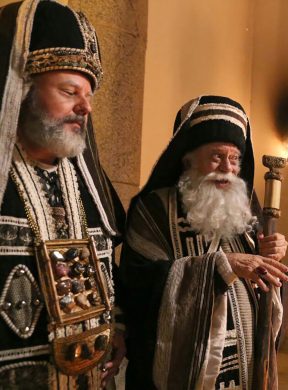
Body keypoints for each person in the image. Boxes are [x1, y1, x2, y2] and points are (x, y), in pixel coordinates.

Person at [119, 95, 288, 389]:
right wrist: (220, 267)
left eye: (235, 158)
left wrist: (272, 253)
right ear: (187, 159)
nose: (227, 167)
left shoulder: (245, 206)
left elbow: (266, 279)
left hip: (246, 369)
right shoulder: (155, 210)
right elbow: (139, 286)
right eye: (216, 156)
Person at [0, 1, 127, 388]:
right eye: (69, 90)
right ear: (22, 90)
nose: (85, 107)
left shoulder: (90, 183)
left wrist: (118, 325)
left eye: (88, 95)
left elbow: (109, 272)